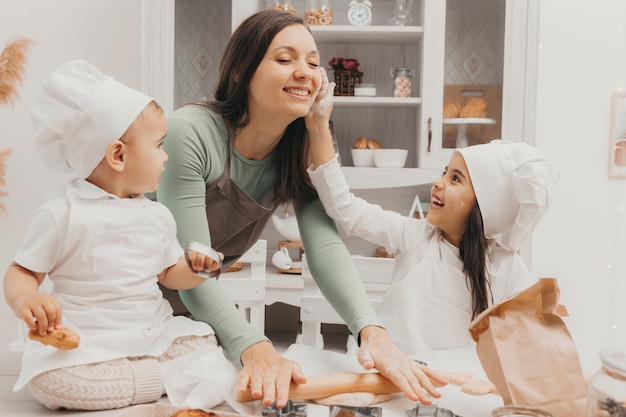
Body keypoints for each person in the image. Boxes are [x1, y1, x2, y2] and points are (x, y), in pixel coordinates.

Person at [156, 9, 445, 407]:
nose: (306, 72)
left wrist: (372, 332)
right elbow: (193, 266)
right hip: (126, 299)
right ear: (240, 71)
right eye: (284, 59)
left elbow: (324, 248)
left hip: (193, 315)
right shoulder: (190, 133)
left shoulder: (297, 148)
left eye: (313, 62)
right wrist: (255, 346)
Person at [3, 59, 224, 411]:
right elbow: (22, 272)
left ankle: (135, 378)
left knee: (205, 342)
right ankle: (157, 380)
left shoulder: (156, 215)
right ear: (118, 155)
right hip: (89, 340)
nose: (166, 158)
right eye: (159, 146)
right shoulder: (63, 212)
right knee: (54, 383)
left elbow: (168, 274)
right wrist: (25, 300)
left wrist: (196, 268)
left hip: (150, 332)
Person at [307, 136, 560, 361]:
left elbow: (539, 339)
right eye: (444, 172)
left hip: (447, 388)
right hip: (382, 370)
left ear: (484, 206)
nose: (438, 182)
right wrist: (318, 125)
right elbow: (345, 209)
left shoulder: (505, 266)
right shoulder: (415, 236)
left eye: (455, 179)